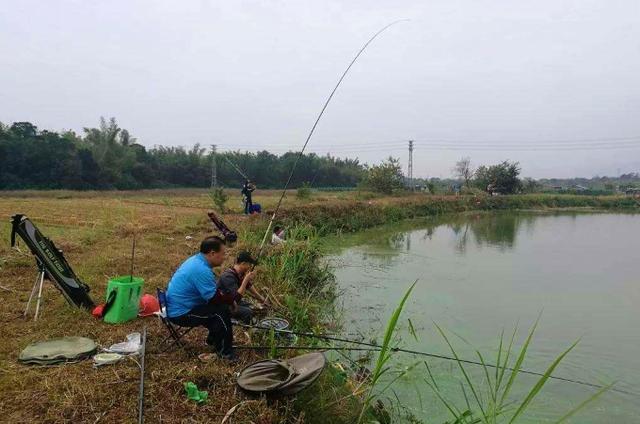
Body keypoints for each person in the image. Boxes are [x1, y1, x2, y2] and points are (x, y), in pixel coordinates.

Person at [165, 236, 236, 360]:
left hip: (179, 305)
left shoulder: (197, 260)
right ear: (212, 253)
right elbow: (214, 298)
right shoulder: (201, 269)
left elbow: (213, 293)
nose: (224, 257)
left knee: (219, 309)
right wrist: (231, 300)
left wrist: (227, 299)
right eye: (223, 254)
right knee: (220, 313)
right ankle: (225, 354)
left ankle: (214, 340)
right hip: (181, 313)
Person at [214, 251, 268, 324]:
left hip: (232, 302)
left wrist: (261, 298)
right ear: (243, 264)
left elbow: (249, 286)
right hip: (222, 306)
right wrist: (245, 280)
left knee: (252, 307)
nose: (250, 267)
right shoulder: (228, 276)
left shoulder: (239, 273)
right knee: (248, 312)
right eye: (249, 264)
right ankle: (241, 325)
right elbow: (236, 298)